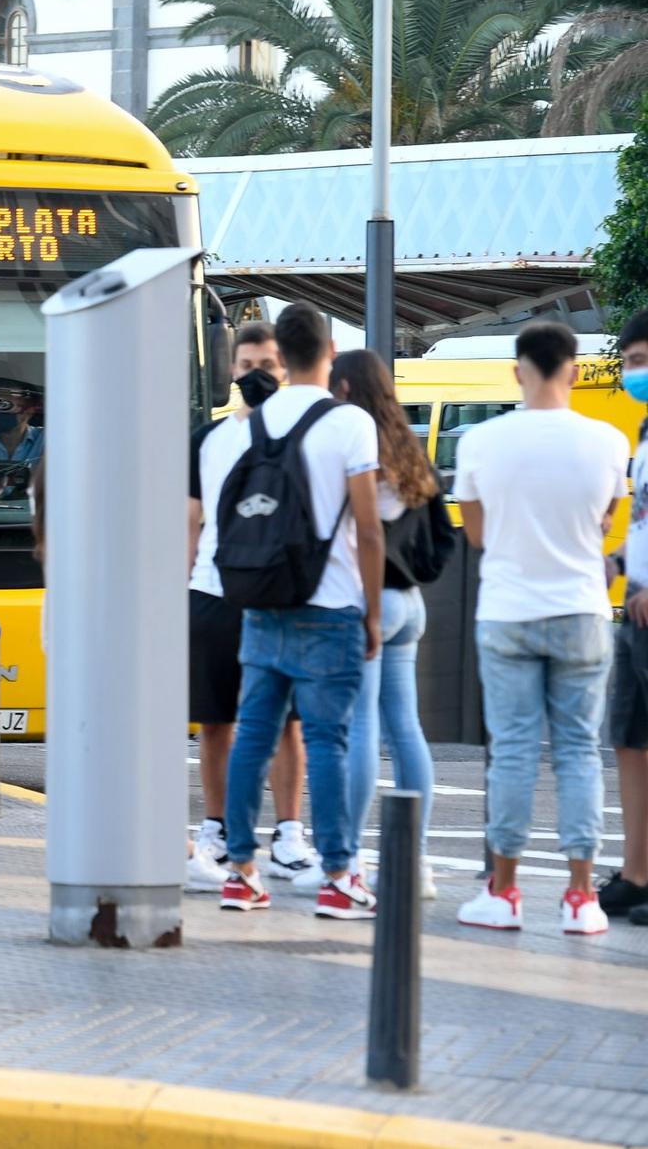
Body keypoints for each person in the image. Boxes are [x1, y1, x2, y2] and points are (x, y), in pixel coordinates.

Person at [452, 320, 627, 935]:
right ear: (574, 371)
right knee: (580, 753)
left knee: (514, 754)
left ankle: (503, 891)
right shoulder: (608, 442)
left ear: (517, 371)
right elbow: (606, 521)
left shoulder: (480, 441)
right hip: (582, 609)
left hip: (507, 612)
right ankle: (582, 898)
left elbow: (475, 535)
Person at [216, 302, 383, 922]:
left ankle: (239, 872)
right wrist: (370, 613)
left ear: (280, 358)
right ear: (330, 350)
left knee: (251, 738)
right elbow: (369, 529)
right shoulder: (350, 424)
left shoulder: (251, 423)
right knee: (327, 740)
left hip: (261, 602)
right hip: (331, 604)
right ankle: (338, 876)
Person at [189, 322, 315, 883]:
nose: (255, 376)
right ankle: (215, 828)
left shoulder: (304, 432)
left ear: (286, 369)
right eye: (245, 367)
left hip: (280, 594)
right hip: (213, 592)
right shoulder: (207, 438)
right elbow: (189, 522)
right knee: (216, 721)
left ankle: (289, 833)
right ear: (231, 371)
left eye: (267, 365)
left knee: (287, 722)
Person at [331, 348, 444, 901]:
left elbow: (358, 532)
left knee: (359, 732)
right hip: (411, 603)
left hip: (367, 602)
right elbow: (440, 535)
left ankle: (347, 857)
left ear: (347, 389)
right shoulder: (410, 450)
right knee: (405, 729)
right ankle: (414, 861)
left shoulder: (356, 449)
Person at [604, 310, 648, 926]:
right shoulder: (642, 432)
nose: (635, 373)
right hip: (634, 603)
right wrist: (614, 561)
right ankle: (637, 873)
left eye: (643, 360)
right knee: (631, 738)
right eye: (630, 363)